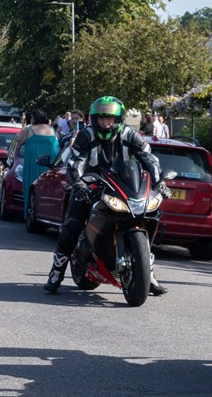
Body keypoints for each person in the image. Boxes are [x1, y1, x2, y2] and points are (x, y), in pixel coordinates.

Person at [45, 96, 166, 296]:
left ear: (118, 119)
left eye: (109, 118)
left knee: (148, 216)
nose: (105, 122)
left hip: (123, 185)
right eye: (101, 118)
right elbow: (76, 162)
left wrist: (159, 182)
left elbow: (148, 158)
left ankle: (148, 274)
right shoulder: (86, 135)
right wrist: (78, 183)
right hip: (91, 184)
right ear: (94, 119)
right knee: (72, 225)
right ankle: (56, 273)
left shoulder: (130, 134)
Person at [14, 109, 60, 219]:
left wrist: (24, 126)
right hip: (49, 165)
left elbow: (19, 141)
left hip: (33, 165)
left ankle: (30, 215)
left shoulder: (30, 129)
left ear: (34, 119)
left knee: (31, 188)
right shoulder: (52, 130)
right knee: (48, 191)